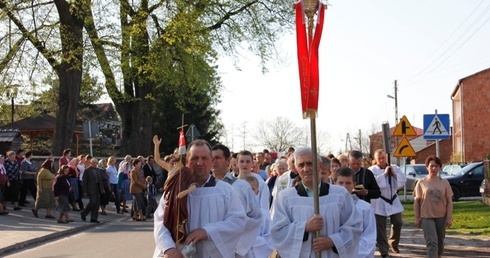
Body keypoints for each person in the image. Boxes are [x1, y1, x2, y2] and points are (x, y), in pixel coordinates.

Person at [153, 138, 246, 258]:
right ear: (186, 161)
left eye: (204, 158)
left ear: (212, 161)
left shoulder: (225, 191)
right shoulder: (175, 190)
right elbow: (160, 221)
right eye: (195, 158)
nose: (199, 163)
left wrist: (208, 231)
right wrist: (169, 249)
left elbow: (237, 221)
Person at [271, 147, 362, 258]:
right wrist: (303, 227)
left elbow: (354, 226)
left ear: (319, 166)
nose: (306, 169)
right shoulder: (285, 198)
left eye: (310, 163)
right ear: (296, 168)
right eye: (301, 165)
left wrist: (333, 241)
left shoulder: (340, 195)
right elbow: (278, 232)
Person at [211, 144, 262, 257]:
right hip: (210, 246)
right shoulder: (204, 188)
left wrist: (233, 230)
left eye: (218, 158)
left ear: (228, 160)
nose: (214, 161)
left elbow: (255, 217)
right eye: (212, 158)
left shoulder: (241, 187)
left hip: (235, 248)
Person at [368, 149, 407, 257]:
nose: (381, 160)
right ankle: (384, 250)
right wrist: (384, 174)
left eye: (383, 158)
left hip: (393, 199)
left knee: (398, 222)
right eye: (379, 158)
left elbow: (402, 181)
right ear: (375, 160)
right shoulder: (372, 170)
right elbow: (373, 183)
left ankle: (393, 242)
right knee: (380, 227)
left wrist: (393, 174)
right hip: (379, 200)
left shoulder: (394, 167)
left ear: (386, 158)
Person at [414, 156, 453, 258]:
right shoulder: (421, 183)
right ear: (427, 167)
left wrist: (449, 217)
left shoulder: (444, 183)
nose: (434, 168)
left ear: (440, 167)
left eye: (436, 166)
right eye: (431, 166)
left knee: (440, 241)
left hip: (441, 216)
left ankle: (438, 255)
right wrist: (417, 218)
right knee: (432, 241)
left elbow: (449, 202)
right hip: (426, 216)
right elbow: (417, 201)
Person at [334, 167, 376, 258]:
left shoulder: (365, 208)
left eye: (348, 183)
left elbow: (369, 237)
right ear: (334, 184)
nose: (344, 186)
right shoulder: (329, 208)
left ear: (354, 185)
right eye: (340, 183)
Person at [243, 175, 274, 257]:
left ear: (258, 192)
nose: (250, 192)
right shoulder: (235, 213)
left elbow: (270, 239)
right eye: (247, 189)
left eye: (252, 189)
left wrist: (250, 241)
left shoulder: (264, 215)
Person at [81, 158, 105, 223]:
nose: (95, 164)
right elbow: (84, 181)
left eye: (96, 163)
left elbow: (100, 180)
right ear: (91, 163)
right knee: (93, 202)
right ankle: (84, 213)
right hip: (91, 189)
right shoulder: (87, 170)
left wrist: (102, 189)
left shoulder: (98, 170)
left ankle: (94, 218)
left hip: (98, 188)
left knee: (97, 204)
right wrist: (84, 191)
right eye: (94, 163)